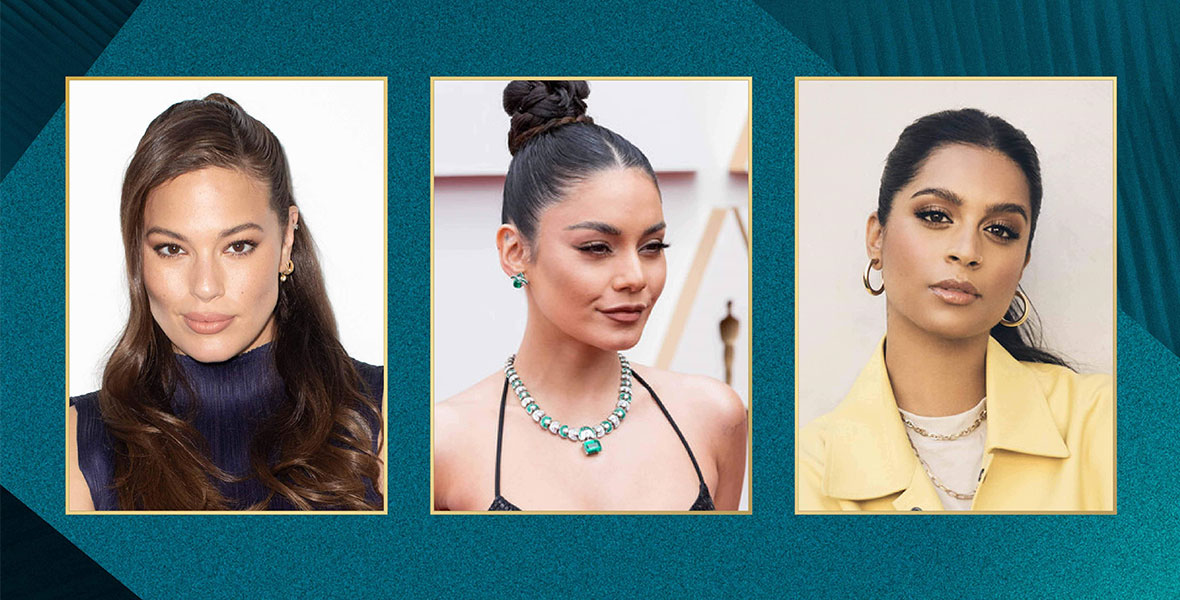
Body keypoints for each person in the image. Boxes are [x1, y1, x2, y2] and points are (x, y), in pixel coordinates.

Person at [433, 81, 747, 511]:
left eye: (652, 247)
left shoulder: (714, 416)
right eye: (597, 248)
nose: (635, 277)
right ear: (515, 251)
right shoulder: (441, 443)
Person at [67, 94, 384, 511]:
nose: (205, 286)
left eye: (237, 246)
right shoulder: (74, 443)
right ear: (137, 252)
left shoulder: (384, 414)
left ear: (287, 238)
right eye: (171, 249)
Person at [798, 108, 1113, 511]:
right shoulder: (807, 473)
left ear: (1023, 263)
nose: (966, 251)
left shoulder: (1106, 423)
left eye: (1000, 230)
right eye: (935, 216)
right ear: (877, 238)